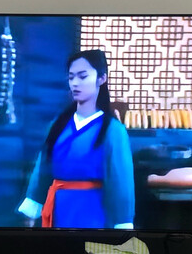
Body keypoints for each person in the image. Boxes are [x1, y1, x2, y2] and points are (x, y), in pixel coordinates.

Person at [18, 49, 135, 229]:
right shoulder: (58, 125)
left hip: (93, 211)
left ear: (101, 79)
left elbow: (121, 180)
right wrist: (33, 204)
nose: (75, 83)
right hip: (58, 208)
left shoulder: (113, 130)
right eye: (71, 77)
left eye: (82, 76)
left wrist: (123, 221)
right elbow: (43, 167)